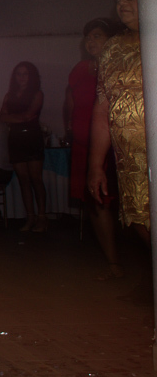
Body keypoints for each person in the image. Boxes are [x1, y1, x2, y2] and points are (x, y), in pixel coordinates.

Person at [88, 0, 149, 244]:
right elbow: (102, 111)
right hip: (130, 165)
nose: (122, 1)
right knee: (140, 224)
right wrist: (95, 165)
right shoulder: (112, 49)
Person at [65, 18, 121, 277]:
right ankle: (112, 261)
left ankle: (118, 263)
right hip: (80, 146)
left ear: (110, 40)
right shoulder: (79, 70)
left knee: (106, 202)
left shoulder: (118, 68)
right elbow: (71, 102)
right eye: (88, 36)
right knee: (92, 202)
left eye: (97, 36)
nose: (90, 41)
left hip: (107, 148)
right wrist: (68, 127)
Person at [1, 62, 47, 232]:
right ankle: (30, 218)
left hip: (32, 137)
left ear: (32, 76)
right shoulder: (9, 95)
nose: (21, 77)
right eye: (18, 73)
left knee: (36, 178)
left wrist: (14, 117)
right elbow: (2, 117)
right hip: (15, 139)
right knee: (23, 180)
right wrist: (18, 118)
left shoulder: (37, 94)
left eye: (25, 74)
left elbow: (28, 117)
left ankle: (42, 218)